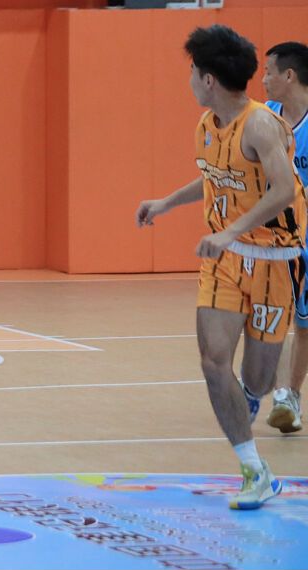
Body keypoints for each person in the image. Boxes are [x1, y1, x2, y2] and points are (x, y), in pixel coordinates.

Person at [135, 25, 304, 510]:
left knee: (259, 380)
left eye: (192, 71)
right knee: (212, 362)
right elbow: (216, 178)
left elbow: (283, 191)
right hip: (225, 262)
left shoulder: (261, 125)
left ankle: (249, 395)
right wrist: (166, 202)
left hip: (275, 261)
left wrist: (230, 231)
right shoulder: (207, 125)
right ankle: (254, 469)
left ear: (208, 78)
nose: (189, 79)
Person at [261, 41, 308, 434]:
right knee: (272, 314)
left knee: (304, 322)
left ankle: (291, 394)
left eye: (268, 72)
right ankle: (280, 393)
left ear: (289, 75)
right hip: (275, 237)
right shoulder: (266, 118)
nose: (262, 80)